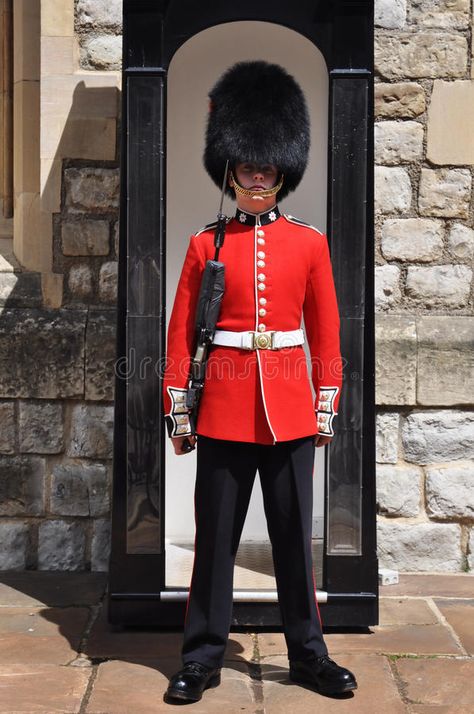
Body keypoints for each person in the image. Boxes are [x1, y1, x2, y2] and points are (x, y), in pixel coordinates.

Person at [162, 60, 357, 703]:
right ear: (231, 167)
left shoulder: (309, 245)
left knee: (293, 543)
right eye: (248, 166)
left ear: (282, 172)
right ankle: (201, 656)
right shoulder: (204, 245)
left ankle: (308, 654)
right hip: (221, 407)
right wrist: (178, 407)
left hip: (291, 411)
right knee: (215, 543)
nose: (257, 176)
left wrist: (325, 402)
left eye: (267, 168)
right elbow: (179, 335)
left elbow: (326, 335)